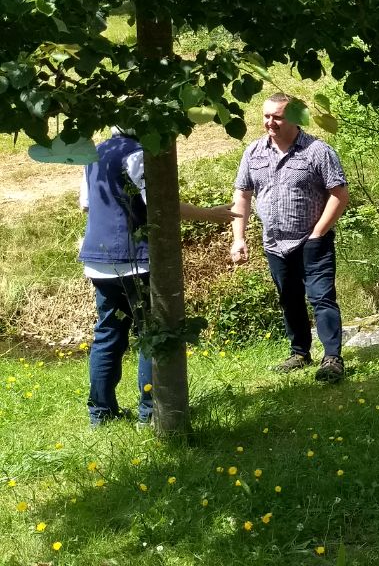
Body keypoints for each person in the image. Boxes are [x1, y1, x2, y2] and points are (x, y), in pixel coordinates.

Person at [79, 128, 238, 427]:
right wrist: (207, 213)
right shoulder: (138, 152)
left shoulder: (95, 152)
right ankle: (149, 412)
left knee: (107, 334)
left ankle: (100, 413)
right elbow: (159, 204)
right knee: (149, 333)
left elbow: (87, 204)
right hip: (133, 259)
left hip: (99, 260)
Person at [231, 93, 350, 383]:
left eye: (277, 117)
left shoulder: (317, 151)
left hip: (312, 241)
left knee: (321, 298)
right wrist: (239, 237)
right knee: (290, 299)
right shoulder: (254, 152)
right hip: (274, 243)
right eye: (266, 116)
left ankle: (332, 358)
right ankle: (299, 353)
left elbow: (339, 194)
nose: (270, 122)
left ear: (294, 118)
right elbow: (242, 195)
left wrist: (318, 233)